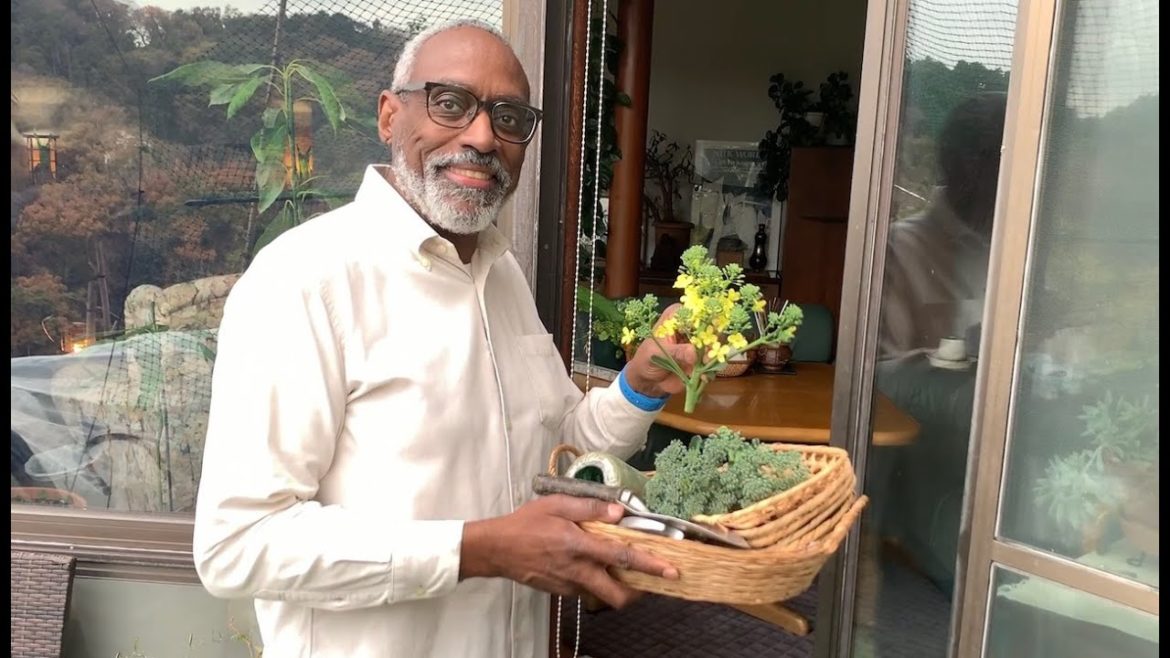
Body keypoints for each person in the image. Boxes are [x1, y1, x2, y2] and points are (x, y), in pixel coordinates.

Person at [192, 19, 695, 658]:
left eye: (509, 117)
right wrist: (478, 550)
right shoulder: (305, 281)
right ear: (388, 115)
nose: (483, 136)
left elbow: (558, 451)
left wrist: (640, 384)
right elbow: (238, 544)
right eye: (451, 103)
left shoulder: (499, 272)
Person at [877, 92, 1008, 360]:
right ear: (964, 166)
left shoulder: (1018, 253)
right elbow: (879, 375)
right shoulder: (898, 250)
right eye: (1001, 162)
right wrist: (968, 352)